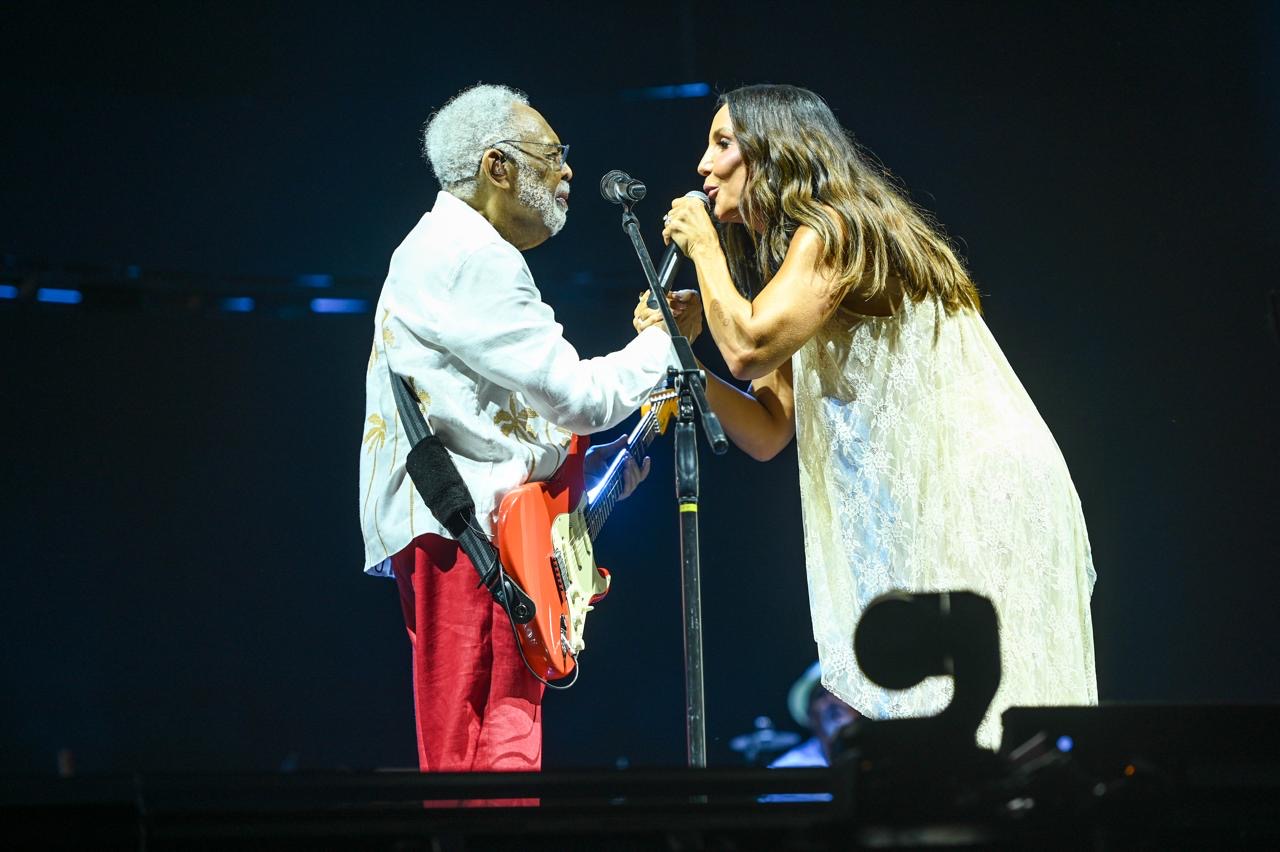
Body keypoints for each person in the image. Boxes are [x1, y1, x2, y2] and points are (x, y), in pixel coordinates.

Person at [636, 84, 1097, 748]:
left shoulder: (836, 228)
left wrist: (706, 252)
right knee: (944, 706)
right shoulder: (796, 262)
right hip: (927, 493)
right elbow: (768, 430)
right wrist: (680, 356)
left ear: (775, 149)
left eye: (722, 144)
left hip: (978, 483)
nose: (703, 166)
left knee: (994, 706)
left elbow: (745, 345)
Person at [360, 83, 680, 772]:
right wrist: (665, 344)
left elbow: (491, 415)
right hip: (471, 540)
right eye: (551, 155)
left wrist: (579, 476)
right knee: (485, 755)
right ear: (496, 167)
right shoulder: (472, 255)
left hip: (474, 532)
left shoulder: (444, 247)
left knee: (493, 747)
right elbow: (578, 399)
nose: (566, 171)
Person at [769, 661, 859, 768]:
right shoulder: (788, 768)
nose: (832, 699)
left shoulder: (881, 753)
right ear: (810, 717)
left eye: (840, 690)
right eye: (821, 695)